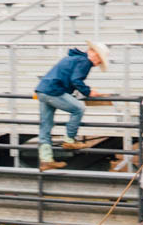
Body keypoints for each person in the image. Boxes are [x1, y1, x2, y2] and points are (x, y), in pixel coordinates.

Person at [33, 42, 109, 171]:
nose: (98, 63)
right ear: (94, 54)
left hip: (42, 90)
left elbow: (68, 78)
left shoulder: (73, 58)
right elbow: (76, 80)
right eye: (100, 60)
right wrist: (88, 91)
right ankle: (69, 139)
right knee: (79, 109)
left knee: (45, 126)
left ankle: (46, 160)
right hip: (54, 91)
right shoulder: (85, 61)